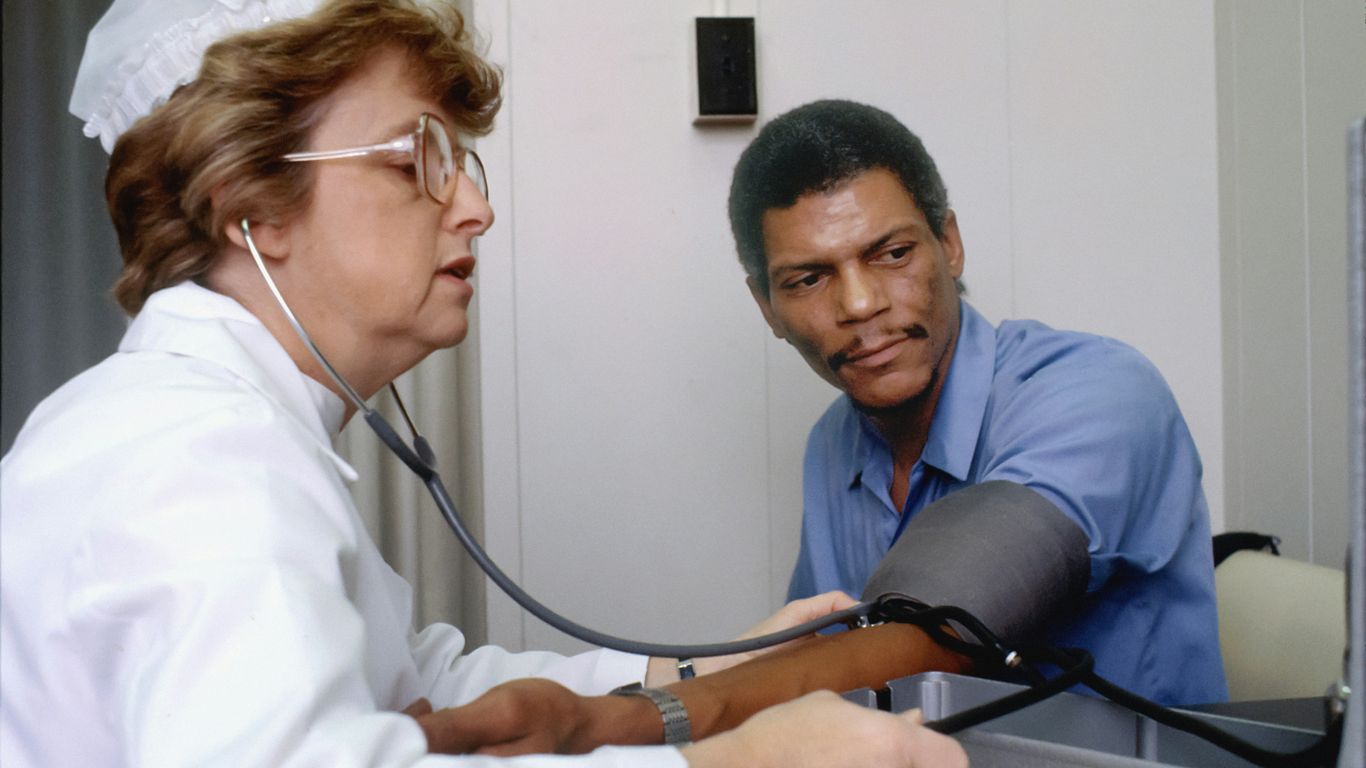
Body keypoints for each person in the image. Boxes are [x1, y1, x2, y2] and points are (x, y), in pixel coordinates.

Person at [0, 3, 966, 767]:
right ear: (251, 205)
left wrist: (699, 666)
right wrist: (725, 765)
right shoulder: (195, 460)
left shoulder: (218, 435)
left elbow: (426, 682)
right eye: (418, 158)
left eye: (461, 163)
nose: (476, 207)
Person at [727, 99, 1228, 707]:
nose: (859, 305)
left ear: (950, 243)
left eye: (892, 253)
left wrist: (644, 713)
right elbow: (820, 671)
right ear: (766, 308)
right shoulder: (832, 447)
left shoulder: (1101, 391)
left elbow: (944, 619)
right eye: (808, 279)